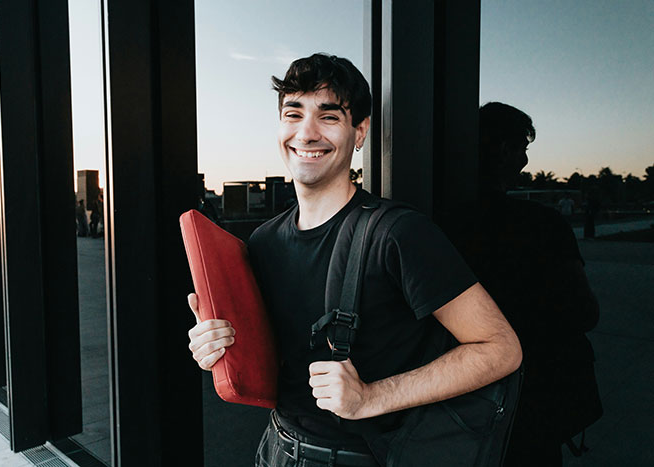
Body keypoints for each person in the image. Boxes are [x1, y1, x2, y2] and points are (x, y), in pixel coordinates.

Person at [187, 54, 522, 466]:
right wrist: (218, 347)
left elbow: (501, 348)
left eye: (328, 116)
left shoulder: (398, 233)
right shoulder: (263, 241)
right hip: (276, 448)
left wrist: (370, 397)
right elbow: (275, 358)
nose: (306, 133)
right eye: (294, 114)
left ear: (359, 132)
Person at [450, 102, 603, 466]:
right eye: (522, 150)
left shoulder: (441, 222)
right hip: (533, 397)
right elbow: (585, 312)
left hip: (462, 398)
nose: (525, 162)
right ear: (504, 149)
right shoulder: (543, 225)